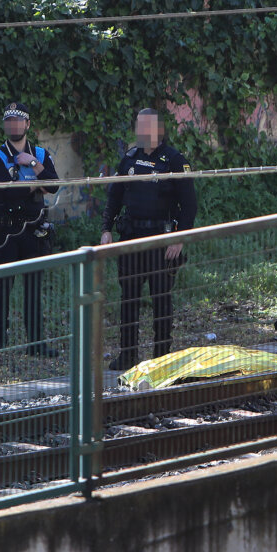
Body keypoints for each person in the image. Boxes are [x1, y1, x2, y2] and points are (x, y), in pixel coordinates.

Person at [100, 108, 197, 371]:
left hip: (161, 243)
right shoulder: (130, 158)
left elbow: (189, 204)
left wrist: (180, 238)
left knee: (161, 300)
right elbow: (114, 196)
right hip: (131, 239)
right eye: (138, 126)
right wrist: (106, 228)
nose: (141, 132)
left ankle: (161, 358)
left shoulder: (175, 161)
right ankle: (128, 355)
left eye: (147, 127)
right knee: (129, 299)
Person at [0, 101, 60, 357]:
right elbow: (6, 189)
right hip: (7, 231)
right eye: (9, 121)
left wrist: (34, 166)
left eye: (18, 120)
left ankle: (36, 344)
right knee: (3, 285)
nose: (13, 125)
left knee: (33, 286)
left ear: (27, 124)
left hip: (34, 229)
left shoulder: (39, 153)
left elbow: (54, 185)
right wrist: (34, 186)